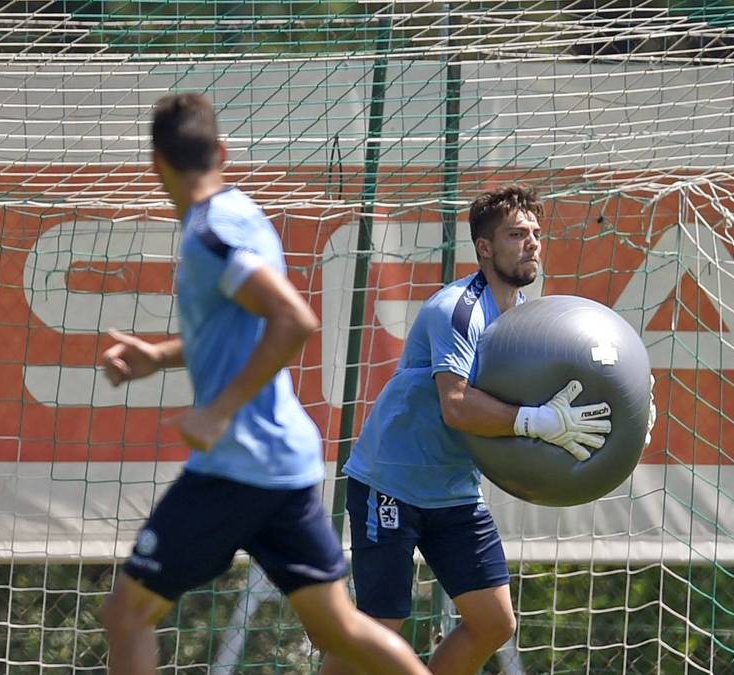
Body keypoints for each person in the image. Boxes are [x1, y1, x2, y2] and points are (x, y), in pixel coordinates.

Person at [97, 92, 430, 675]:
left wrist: (220, 410)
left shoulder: (208, 236)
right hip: (284, 464)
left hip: (235, 468)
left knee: (127, 615)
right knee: (341, 630)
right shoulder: (245, 214)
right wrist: (159, 355)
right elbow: (244, 331)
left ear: (156, 167)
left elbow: (293, 319)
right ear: (223, 152)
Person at [321, 184, 634, 675]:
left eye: (535, 232)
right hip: (391, 485)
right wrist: (539, 422)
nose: (531, 242)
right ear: (485, 248)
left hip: (454, 492)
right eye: (515, 234)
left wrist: (628, 410)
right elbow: (458, 407)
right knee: (380, 627)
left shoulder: (529, 318)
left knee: (494, 622)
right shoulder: (458, 309)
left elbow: (563, 387)